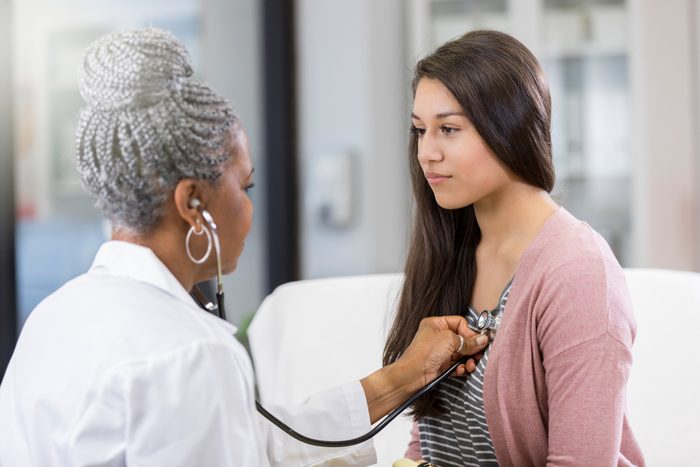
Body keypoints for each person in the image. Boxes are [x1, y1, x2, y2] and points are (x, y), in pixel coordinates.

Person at [0, 28, 489, 467]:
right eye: (245, 187)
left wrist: (402, 378)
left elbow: (258, 439)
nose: (250, 210)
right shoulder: (190, 353)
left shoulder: (54, 317)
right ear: (193, 201)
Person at [383, 30, 645, 466]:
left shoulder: (578, 271)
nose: (426, 152)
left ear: (510, 127)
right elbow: (431, 439)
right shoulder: (454, 249)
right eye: (419, 131)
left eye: (448, 129)